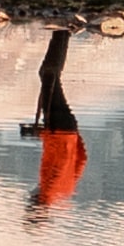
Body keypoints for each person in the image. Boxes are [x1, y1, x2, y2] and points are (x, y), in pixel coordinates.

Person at [27, 24, 84, 217]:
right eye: (29, 202)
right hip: (57, 127)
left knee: (49, 75)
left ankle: (62, 32)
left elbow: (82, 160)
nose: (29, 197)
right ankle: (63, 31)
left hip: (67, 130)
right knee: (49, 74)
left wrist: (75, 138)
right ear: (36, 205)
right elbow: (57, 160)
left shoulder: (64, 193)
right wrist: (43, 133)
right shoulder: (48, 190)